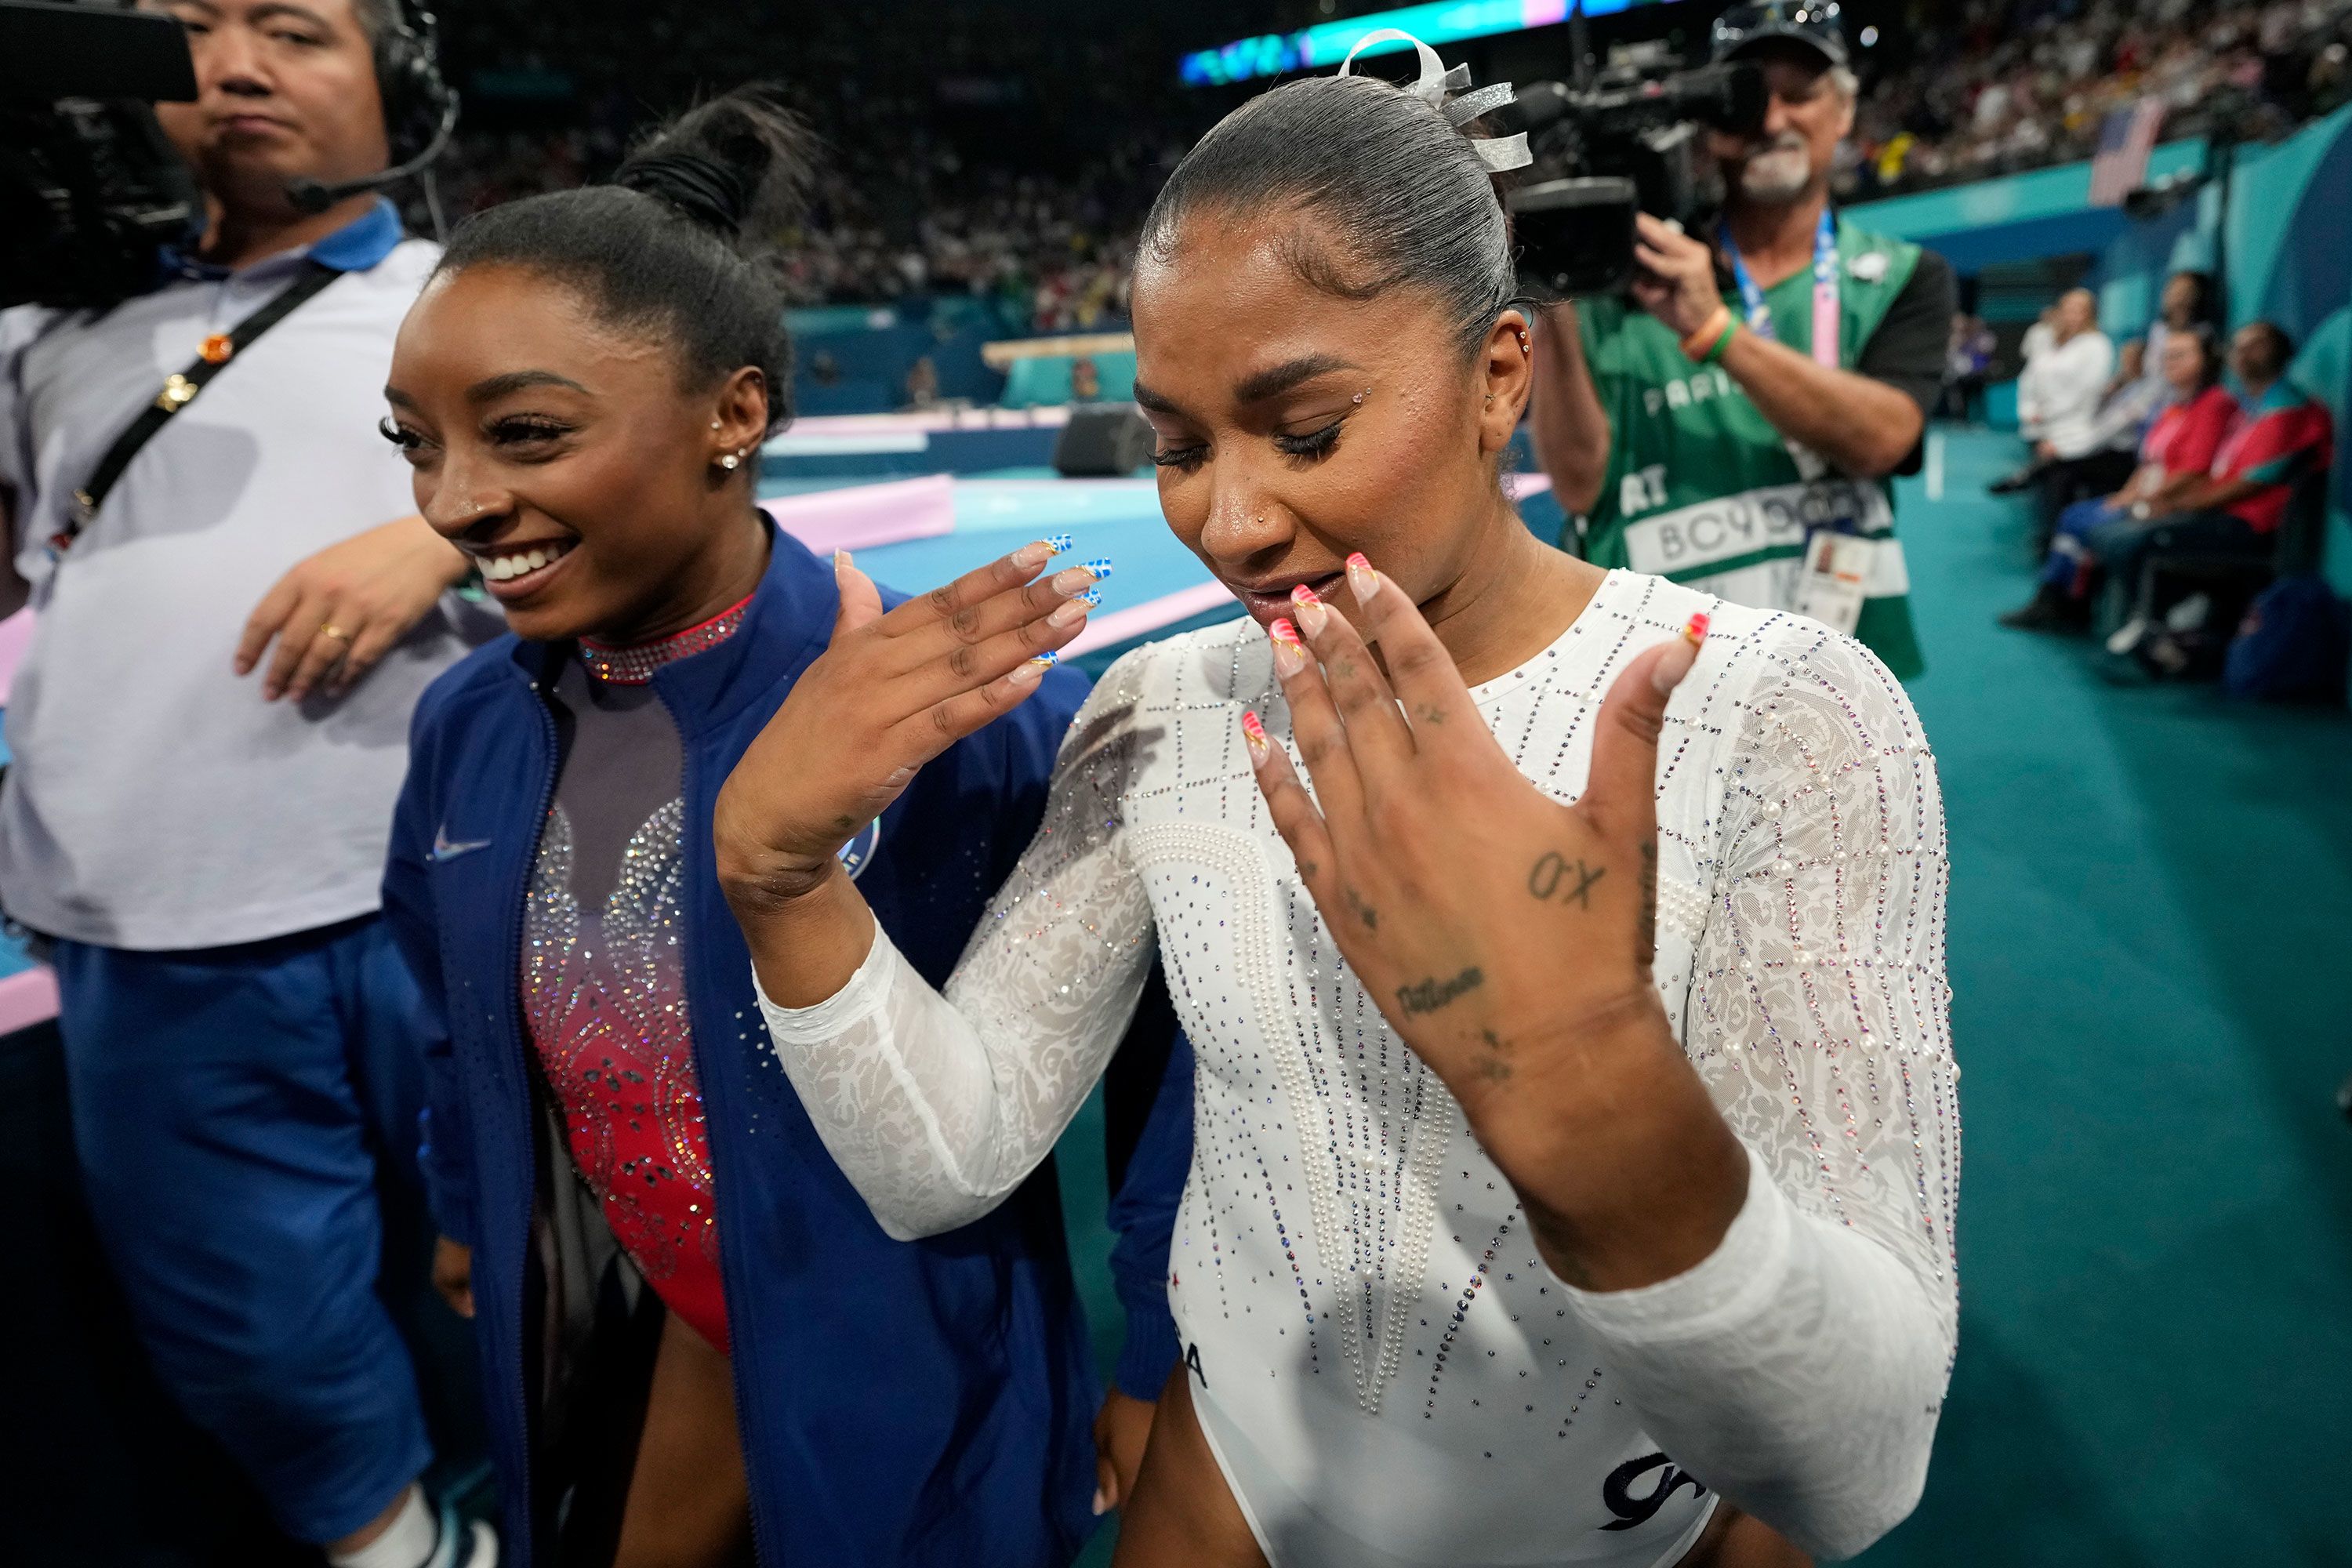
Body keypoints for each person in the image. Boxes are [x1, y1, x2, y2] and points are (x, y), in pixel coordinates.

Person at [717, 34, 1956, 1568]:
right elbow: (943, 1160)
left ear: (1501, 371)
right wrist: (780, 876)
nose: (1230, 523)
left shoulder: (1783, 715)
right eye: (1176, 446)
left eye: (1306, 431)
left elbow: (1856, 1464)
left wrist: (1582, 1077)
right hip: (1227, 1478)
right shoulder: (1162, 707)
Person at [376, 87, 1187, 1568]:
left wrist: (1159, 1355)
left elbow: (1180, 1053)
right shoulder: (469, 730)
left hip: (913, 1370)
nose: (456, 501)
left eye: (525, 434)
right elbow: (445, 1007)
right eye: (414, 444)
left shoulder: (969, 720)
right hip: (674, 1320)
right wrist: (462, 1198)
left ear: (734, 415)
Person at [0, 2, 495, 1563]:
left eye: (294, 28)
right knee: (255, 1336)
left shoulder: (478, 297)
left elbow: (689, 464)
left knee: (565, 1257)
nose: (235, 65)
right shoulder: (40, 330)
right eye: (190, 33)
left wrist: (445, 532)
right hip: (152, 922)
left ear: (395, 84)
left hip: (459, 900)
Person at [1528, 3, 1958, 681]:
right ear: (1707, 125)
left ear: (1844, 113)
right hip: (1659, 665)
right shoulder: (1628, 279)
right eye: (1749, 96)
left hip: (1840, 669)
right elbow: (1580, 489)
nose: (1774, 119)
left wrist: (1716, 331)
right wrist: (1554, 295)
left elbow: (1885, 439)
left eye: (1801, 95)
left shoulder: (1901, 276)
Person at [2093, 321, 2335, 656]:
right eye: (2240, 346)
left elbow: (2248, 484)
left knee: (2136, 537)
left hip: (2249, 525)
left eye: (2258, 344)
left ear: (2282, 353)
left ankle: (2163, 633)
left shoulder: (2287, 408)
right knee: (2117, 532)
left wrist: (2181, 506)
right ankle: (2159, 626)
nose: (2245, 353)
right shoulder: (2253, 406)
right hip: (2218, 515)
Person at [2002, 324, 2235, 630]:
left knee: (2089, 521)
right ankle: (2059, 600)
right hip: (2147, 495)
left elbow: (2193, 472)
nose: (2171, 363)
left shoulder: (2214, 404)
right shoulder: (2174, 406)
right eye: (2167, 356)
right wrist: (2125, 495)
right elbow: (2149, 462)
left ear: (2206, 360)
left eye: (2181, 356)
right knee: (2075, 515)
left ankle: (2067, 605)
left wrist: (2145, 500)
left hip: (2173, 504)